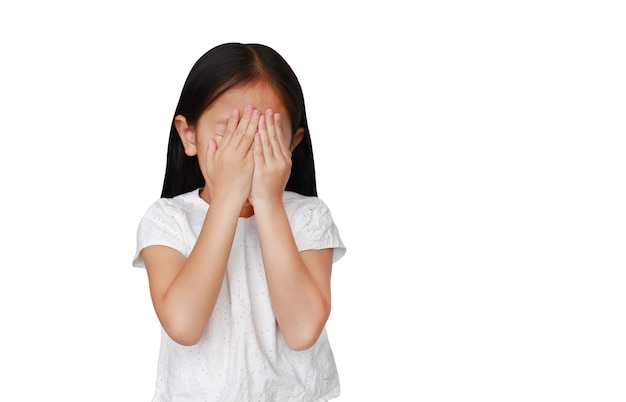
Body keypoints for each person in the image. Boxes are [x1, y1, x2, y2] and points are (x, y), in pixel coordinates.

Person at [132, 42, 346, 401]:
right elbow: (183, 325)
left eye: (264, 136)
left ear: (293, 144)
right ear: (189, 135)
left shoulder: (308, 217)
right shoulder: (167, 220)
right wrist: (228, 199)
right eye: (231, 132)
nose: (247, 151)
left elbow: (302, 330)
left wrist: (267, 202)